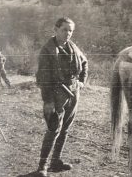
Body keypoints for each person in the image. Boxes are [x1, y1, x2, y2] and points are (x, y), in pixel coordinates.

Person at [34, 17, 88, 177]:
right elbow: (44, 78)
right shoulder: (47, 50)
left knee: (65, 129)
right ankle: (42, 167)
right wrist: (48, 101)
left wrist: (81, 81)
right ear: (55, 30)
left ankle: (55, 161)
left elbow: (85, 63)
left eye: (70, 30)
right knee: (53, 129)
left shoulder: (73, 47)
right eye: (64, 30)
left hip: (73, 93)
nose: (68, 33)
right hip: (55, 94)